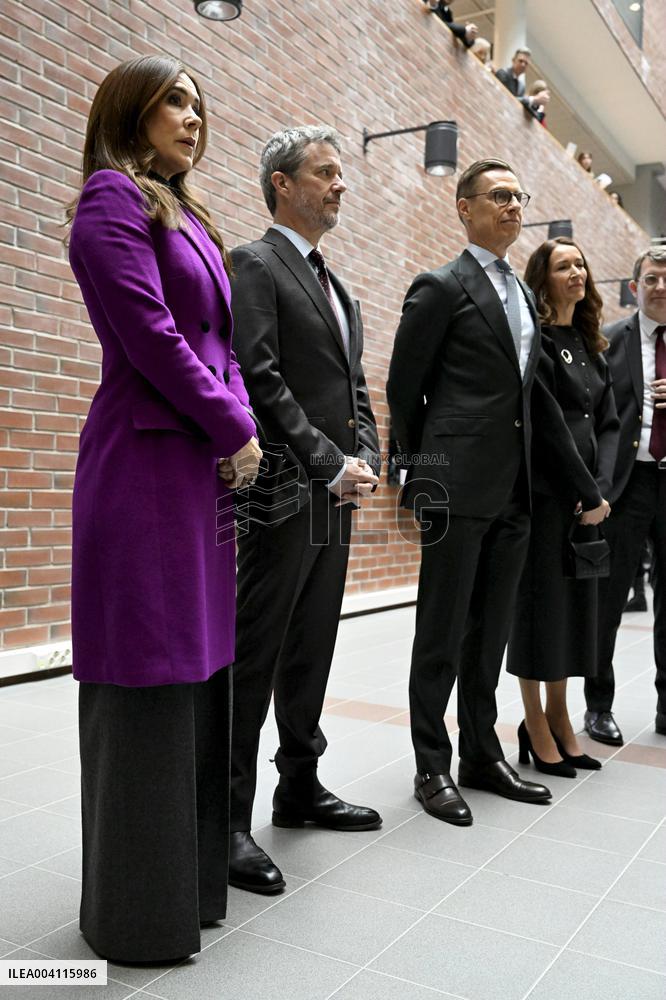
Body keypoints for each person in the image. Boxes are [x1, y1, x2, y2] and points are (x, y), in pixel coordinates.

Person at [66, 55, 261, 963]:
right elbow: (152, 335)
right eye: (175, 101)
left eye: (199, 103)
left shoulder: (192, 215)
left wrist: (240, 427)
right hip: (146, 466)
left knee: (198, 671)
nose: (193, 117)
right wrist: (232, 428)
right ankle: (137, 916)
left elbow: (222, 343)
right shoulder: (112, 197)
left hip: (201, 470)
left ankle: (189, 894)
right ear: (129, 112)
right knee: (147, 673)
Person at [387, 158, 608, 825]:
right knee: (443, 633)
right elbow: (404, 390)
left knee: (489, 637)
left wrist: (575, 483)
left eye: (520, 196)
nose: (514, 206)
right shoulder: (441, 287)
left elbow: (532, 399)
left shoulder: (520, 294)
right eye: (500, 196)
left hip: (518, 493)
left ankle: (482, 756)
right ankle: (432, 766)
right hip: (455, 488)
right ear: (465, 207)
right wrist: (419, 476)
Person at [228, 126, 381, 894]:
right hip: (282, 492)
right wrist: (326, 462)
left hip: (333, 497)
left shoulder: (337, 284)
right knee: (255, 650)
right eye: (325, 172)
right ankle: (227, 820)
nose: (339, 184)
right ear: (282, 184)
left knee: (313, 646)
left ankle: (299, 787)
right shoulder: (254, 263)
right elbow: (258, 375)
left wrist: (369, 461)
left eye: (340, 173)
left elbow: (353, 389)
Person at [507, 238, 618, 776]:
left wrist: (601, 489)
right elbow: (549, 425)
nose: (576, 271)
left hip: (588, 503)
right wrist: (585, 490)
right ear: (542, 278)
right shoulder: (539, 340)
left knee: (575, 615)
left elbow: (609, 424)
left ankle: (560, 715)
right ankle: (535, 720)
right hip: (549, 498)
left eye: (580, 263)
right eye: (563, 265)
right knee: (539, 613)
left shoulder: (592, 343)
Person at [585, 247, 666, 743]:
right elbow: (591, 415)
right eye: (652, 278)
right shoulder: (609, 340)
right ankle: (599, 707)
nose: (661, 286)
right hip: (626, 487)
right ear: (635, 288)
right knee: (608, 599)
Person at [495, 48, 549, 115]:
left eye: (526, 63)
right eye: (520, 61)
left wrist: (537, 103)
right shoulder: (503, 74)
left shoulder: (521, 86)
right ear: (513, 60)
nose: (523, 65)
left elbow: (520, 107)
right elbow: (505, 98)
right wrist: (534, 99)